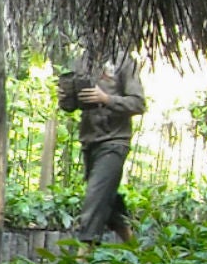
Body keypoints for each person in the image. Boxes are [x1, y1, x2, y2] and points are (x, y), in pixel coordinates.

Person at [57, 49, 147, 243]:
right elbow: (70, 106)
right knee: (107, 198)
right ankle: (134, 251)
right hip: (89, 140)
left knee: (95, 197)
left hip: (115, 141)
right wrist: (65, 96)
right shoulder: (81, 60)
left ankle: (83, 259)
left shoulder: (123, 60)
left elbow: (138, 103)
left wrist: (106, 99)